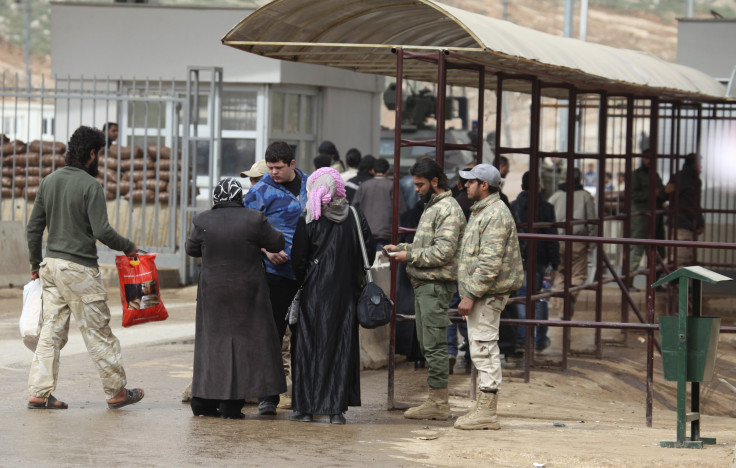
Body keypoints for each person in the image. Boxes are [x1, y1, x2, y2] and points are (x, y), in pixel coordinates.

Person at [25, 125, 143, 410]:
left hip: (51, 267)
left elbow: (33, 229)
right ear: (92, 153)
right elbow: (102, 230)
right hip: (79, 270)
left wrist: (34, 265)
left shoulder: (49, 181)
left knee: (51, 332)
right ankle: (116, 391)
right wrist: (129, 246)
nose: (100, 159)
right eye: (100, 154)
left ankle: (39, 393)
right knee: (98, 331)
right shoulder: (91, 186)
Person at [185, 178, 286, 419]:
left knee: (211, 345)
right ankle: (232, 405)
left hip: (213, 294)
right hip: (247, 293)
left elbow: (191, 249)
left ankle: (203, 401)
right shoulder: (254, 219)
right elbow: (277, 242)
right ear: (239, 197)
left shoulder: (202, 220)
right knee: (245, 345)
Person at [290, 168, 375, 424]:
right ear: (339, 188)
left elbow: (298, 259)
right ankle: (335, 410)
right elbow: (367, 255)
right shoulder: (355, 216)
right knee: (340, 348)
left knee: (307, 348)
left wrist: (309, 280)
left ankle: (305, 408)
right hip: (346, 295)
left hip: (314, 294)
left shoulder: (309, 216)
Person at [384, 158, 465, 421]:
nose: (416, 189)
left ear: (434, 182)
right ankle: (435, 399)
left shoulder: (447, 209)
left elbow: (443, 252)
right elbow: (431, 247)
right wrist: (403, 249)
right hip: (425, 284)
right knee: (429, 343)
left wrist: (408, 256)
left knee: (434, 344)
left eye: (420, 184)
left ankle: (439, 402)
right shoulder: (435, 206)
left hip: (434, 284)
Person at [455, 164, 523, 430]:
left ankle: (487, 410)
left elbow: (489, 262)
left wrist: (470, 294)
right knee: (480, 346)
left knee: (484, 347)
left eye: (471, 182)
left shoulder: (493, 214)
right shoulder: (485, 211)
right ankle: (484, 405)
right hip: (484, 292)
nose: (466, 186)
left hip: (486, 293)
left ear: (485, 185)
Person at [243, 141, 309, 415]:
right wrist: (265, 249)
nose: (273, 172)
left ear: (292, 164)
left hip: (308, 272)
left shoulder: (311, 184)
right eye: (270, 168)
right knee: (272, 334)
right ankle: (267, 396)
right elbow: (245, 228)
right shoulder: (260, 191)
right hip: (275, 275)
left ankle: (305, 396)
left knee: (306, 336)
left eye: (279, 167)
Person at [510, 171, 559, 352]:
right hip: (542, 261)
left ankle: (522, 339)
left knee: (522, 298)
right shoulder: (546, 208)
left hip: (519, 261)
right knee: (540, 299)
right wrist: (555, 264)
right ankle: (540, 338)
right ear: (538, 186)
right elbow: (552, 238)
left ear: (522, 187)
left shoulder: (513, 206)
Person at [548, 168, 596, 317]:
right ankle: (571, 297)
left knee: (561, 275)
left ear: (564, 179)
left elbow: (548, 220)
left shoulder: (555, 197)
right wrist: (591, 243)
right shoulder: (586, 197)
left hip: (558, 241)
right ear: (580, 180)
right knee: (578, 276)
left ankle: (563, 312)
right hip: (577, 241)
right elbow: (592, 222)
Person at [630, 151, 673, 288]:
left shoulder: (655, 175)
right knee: (637, 251)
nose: (649, 161)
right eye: (646, 158)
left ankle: (656, 284)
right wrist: (654, 193)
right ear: (642, 159)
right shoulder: (636, 175)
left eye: (651, 158)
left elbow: (660, 194)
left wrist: (664, 193)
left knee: (657, 252)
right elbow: (633, 195)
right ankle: (628, 283)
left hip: (656, 218)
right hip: (641, 217)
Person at [354, 157, 406, 250]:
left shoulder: (364, 185)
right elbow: (401, 209)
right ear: (387, 171)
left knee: (367, 261)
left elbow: (354, 207)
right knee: (383, 261)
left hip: (366, 231)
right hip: (386, 232)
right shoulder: (392, 185)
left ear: (373, 170)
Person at [668, 153, 704, 266]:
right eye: (699, 163)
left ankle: (661, 278)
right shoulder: (691, 180)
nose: (701, 167)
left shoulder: (680, 177)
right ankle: (657, 278)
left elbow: (669, 195)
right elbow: (695, 204)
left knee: (686, 258)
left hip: (682, 221)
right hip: (682, 222)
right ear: (694, 164)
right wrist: (700, 221)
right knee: (680, 257)